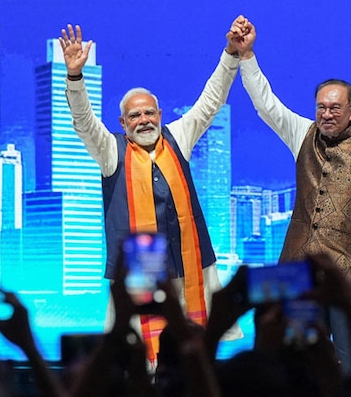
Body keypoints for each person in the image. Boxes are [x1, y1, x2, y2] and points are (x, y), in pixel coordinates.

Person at [231, 17, 351, 375]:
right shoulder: (302, 133)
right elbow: (266, 105)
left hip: (348, 276)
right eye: (321, 106)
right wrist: (247, 56)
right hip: (294, 273)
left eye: (335, 108)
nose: (326, 113)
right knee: (293, 363)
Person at [58, 21, 242, 363]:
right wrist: (74, 78)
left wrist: (231, 54)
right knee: (141, 361)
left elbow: (211, 100)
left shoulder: (179, 137)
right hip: (137, 281)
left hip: (190, 271)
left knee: (196, 354)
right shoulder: (111, 151)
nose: (143, 120)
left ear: (159, 115)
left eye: (148, 112)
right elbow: (83, 121)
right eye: (134, 116)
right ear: (123, 124)